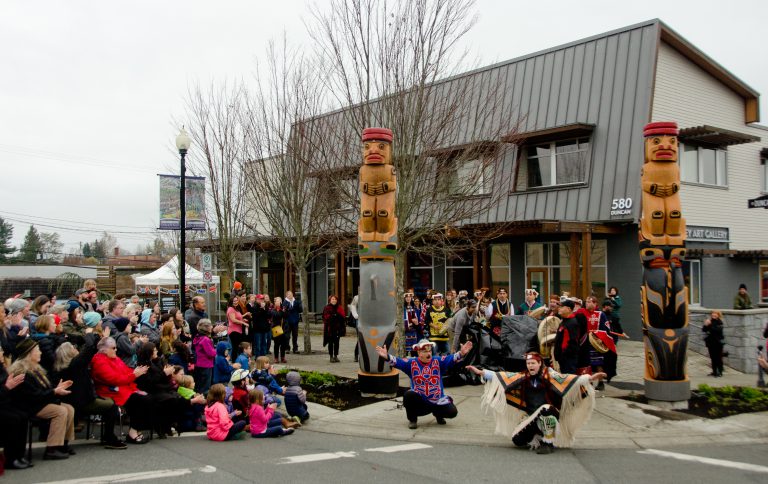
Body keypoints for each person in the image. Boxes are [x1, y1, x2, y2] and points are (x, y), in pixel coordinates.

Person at [467, 352, 606, 454]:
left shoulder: (551, 376)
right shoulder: (522, 377)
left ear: (540, 364)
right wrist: (481, 372)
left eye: (533, 363)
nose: (530, 366)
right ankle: (537, 437)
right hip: (531, 417)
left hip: (550, 412)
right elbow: (502, 376)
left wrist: (590, 378)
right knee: (517, 440)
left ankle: (548, 442)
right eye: (528, 363)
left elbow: (570, 379)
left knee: (546, 410)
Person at [376, 338, 473, 429]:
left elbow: (450, 359)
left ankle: (438, 414)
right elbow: (398, 362)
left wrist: (461, 353)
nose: (428, 354)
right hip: (422, 403)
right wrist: (386, 356)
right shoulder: (411, 363)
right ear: (419, 352)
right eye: (425, 351)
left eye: (429, 351)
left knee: (452, 412)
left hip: (437, 400)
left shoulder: (438, 361)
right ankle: (412, 420)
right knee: (409, 395)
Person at [52, 331, 126, 450]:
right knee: (111, 406)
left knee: (110, 403)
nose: (75, 348)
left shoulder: (65, 367)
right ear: (68, 353)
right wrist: (90, 334)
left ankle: (108, 436)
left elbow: (87, 347)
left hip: (79, 398)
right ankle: (109, 438)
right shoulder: (75, 365)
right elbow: (89, 346)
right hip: (83, 401)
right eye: (72, 347)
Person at [9, 339, 76, 460]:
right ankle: (52, 448)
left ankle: (63, 444)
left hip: (39, 403)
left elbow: (44, 390)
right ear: (29, 354)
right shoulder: (22, 372)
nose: (40, 352)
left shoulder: (36, 368)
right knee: (60, 411)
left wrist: (57, 388)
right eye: (37, 350)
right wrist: (54, 391)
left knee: (69, 408)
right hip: (29, 406)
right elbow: (33, 395)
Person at [0, 343, 31, 469]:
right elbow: (5, 387)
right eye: (0, 351)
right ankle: (10, 458)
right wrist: (7, 387)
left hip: (4, 403)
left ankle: (19, 455)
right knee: (14, 419)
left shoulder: (1, 367)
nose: (2, 353)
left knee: (23, 415)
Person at [553, 299, 580, 374]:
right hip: (563, 359)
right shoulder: (564, 321)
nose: (559, 308)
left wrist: (563, 355)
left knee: (569, 381)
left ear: (568, 309)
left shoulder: (572, 323)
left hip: (568, 360)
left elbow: (572, 343)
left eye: (562, 307)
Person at [192, 319, 216, 394]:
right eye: (210, 325)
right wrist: (217, 349)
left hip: (199, 364)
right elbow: (211, 353)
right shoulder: (205, 339)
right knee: (205, 387)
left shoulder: (197, 337)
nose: (212, 327)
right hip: (206, 365)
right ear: (206, 327)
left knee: (199, 385)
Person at [322, 295, 346, 363]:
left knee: (337, 343)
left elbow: (342, 317)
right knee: (330, 343)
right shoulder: (327, 308)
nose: (334, 300)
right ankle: (331, 356)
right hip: (330, 329)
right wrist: (335, 316)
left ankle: (335, 356)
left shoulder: (339, 308)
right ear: (330, 300)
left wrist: (336, 316)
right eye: (332, 299)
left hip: (338, 329)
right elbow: (326, 317)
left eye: (335, 299)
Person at [703, 310, 725, 377]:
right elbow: (704, 330)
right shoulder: (710, 321)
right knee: (712, 358)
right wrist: (705, 325)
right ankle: (714, 371)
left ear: (718, 315)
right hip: (711, 342)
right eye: (713, 314)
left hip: (718, 343)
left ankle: (720, 372)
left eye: (715, 314)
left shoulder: (720, 322)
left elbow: (716, 331)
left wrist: (709, 325)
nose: (714, 315)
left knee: (718, 358)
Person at [227, 295, 249, 361]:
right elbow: (233, 320)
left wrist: (243, 320)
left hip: (238, 331)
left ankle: (237, 361)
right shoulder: (230, 309)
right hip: (233, 331)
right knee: (235, 348)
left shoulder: (236, 308)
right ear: (231, 302)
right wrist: (243, 323)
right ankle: (234, 362)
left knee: (237, 348)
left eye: (236, 300)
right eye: (234, 301)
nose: (236, 302)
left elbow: (238, 317)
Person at [403, 291, 422, 356]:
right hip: (405, 332)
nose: (408, 298)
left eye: (409, 297)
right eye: (406, 297)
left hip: (414, 332)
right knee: (405, 351)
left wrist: (416, 323)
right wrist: (407, 324)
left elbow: (418, 320)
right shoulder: (402, 308)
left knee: (414, 351)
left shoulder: (414, 308)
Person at [270, 297, 288, 363]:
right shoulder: (273, 310)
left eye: (279, 301)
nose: (278, 302)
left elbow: (286, 316)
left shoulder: (284, 309)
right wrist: (282, 311)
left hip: (283, 329)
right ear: (275, 302)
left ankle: (283, 357)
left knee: (283, 344)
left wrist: (283, 311)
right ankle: (276, 357)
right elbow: (277, 315)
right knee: (276, 344)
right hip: (276, 329)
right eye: (277, 301)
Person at [348, 295, 359, 362]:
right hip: (360, 320)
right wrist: (355, 315)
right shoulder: (357, 297)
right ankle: (356, 355)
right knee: (360, 339)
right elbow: (353, 306)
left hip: (369, 321)